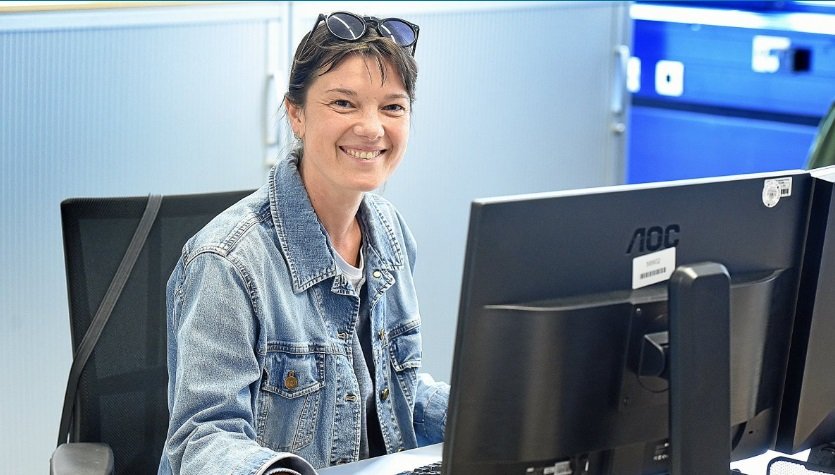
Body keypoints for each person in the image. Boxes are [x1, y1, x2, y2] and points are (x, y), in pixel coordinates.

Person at [158, 11, 449, 475]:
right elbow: (203, 439)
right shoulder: (227, 263)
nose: (372, 128)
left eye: (393, 107)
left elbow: (392, 395)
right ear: (296, 114)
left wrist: (496, 413)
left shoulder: (390, 232)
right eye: (344, 103)